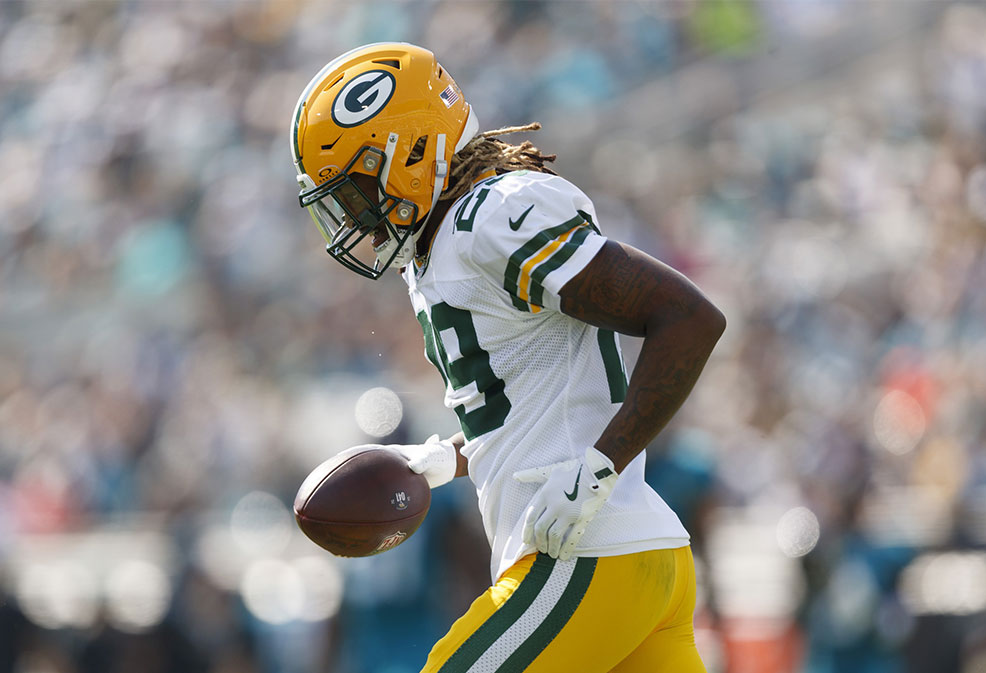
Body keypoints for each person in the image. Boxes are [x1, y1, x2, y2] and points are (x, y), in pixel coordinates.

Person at [290, 42, 725, 672]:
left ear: (409, 150)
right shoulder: (446, 245)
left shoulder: (493, 216)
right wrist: (456, 456)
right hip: (634, 560)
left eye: (357, 190)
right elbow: (543, 398)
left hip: (584, 557)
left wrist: (600, 466)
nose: (356, 217)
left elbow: (688, 319)